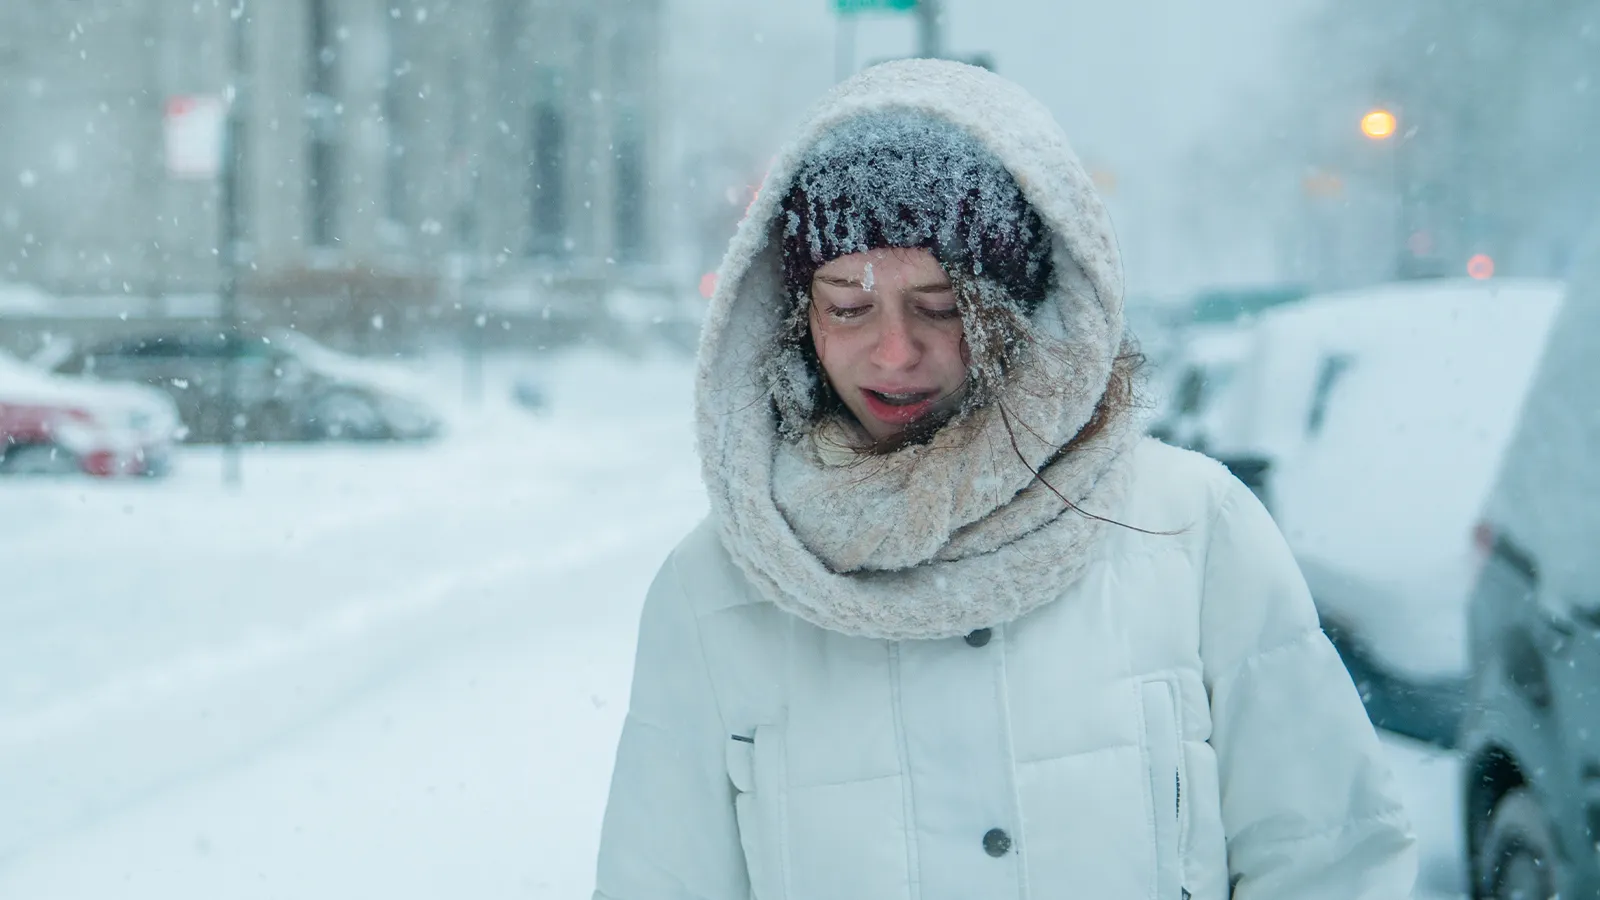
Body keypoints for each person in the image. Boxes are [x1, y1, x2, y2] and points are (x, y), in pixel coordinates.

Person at [593, 59, 1417, 900]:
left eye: (941, 305)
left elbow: (1330, 858)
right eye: (847, 304)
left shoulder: (1189, 531)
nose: (893, 351)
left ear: (1013, 308)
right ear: (797, 317)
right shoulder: (715, 592)